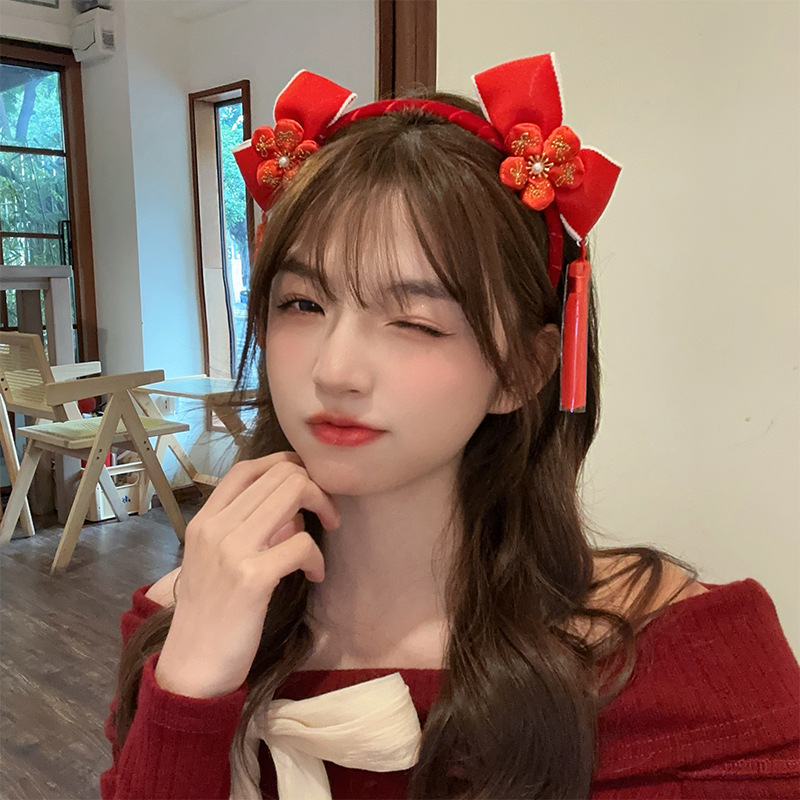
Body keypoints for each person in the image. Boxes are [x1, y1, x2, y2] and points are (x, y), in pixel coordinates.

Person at [100, 55, 800, 800]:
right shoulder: (182, 616)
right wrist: (190, 690)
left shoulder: (680, 660)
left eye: (414, 321)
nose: (335, 371)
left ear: (525, 368)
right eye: (303, 304)